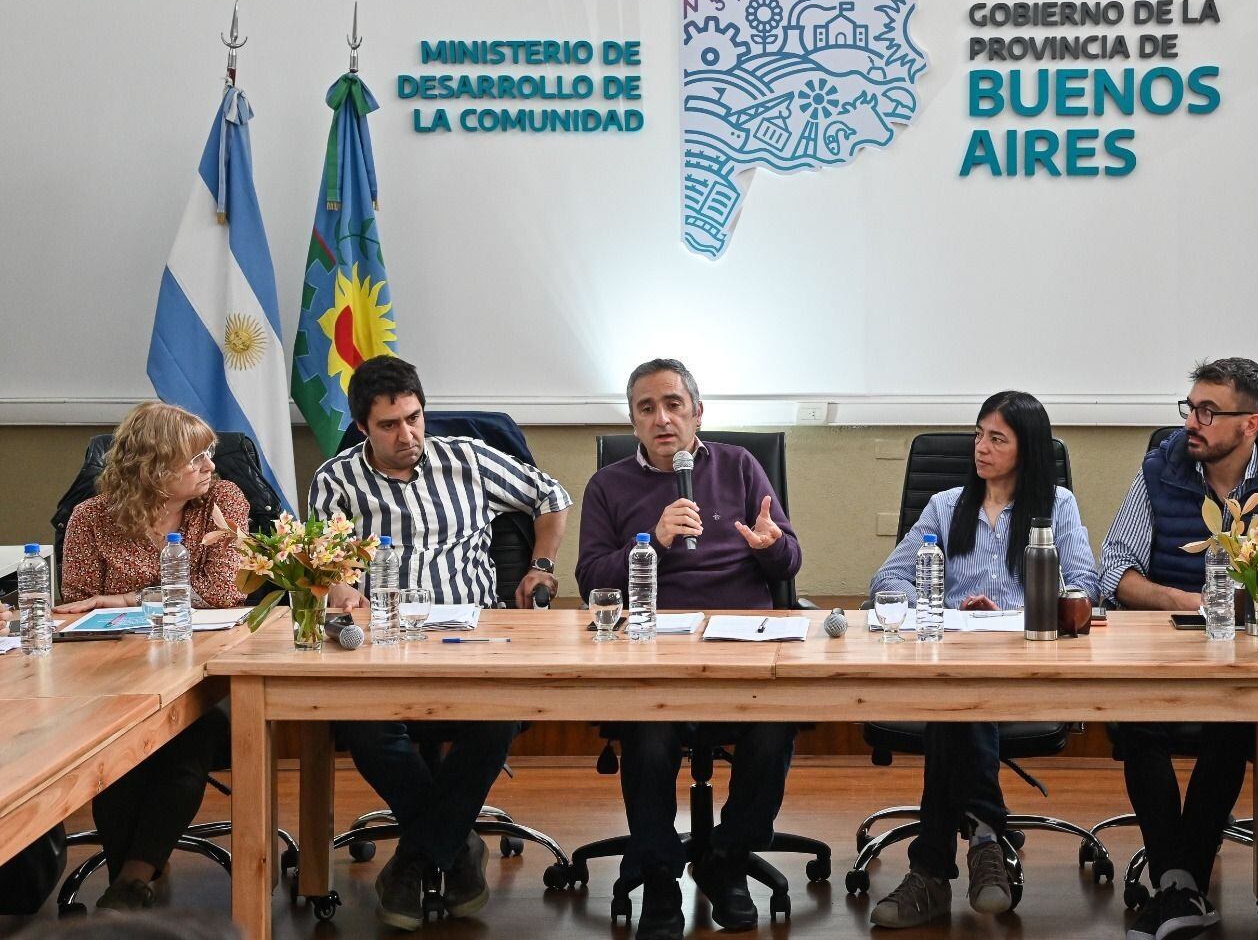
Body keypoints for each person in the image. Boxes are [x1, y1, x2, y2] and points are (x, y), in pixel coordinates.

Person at [1098, 358, 1258, 940]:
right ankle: (1180, 880)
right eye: (1190, 407)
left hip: (1250, 654)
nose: (1193, 421)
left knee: (1236, 723)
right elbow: (1114, 570)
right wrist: (1184, 600)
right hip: (1165, 648)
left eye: (1208, 411)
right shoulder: (1159, 471)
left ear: (1251, 425)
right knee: (1136, 725)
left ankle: (1176, 885)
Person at [311, 355, 572, 931]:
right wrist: (342, 591)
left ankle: (417, 854)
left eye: (414, 418)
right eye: (389, 425)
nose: (408, 435)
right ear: (362, 428)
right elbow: (326, 566)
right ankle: (455, 845)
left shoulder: (467, 459)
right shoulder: (335, 482)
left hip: (475, 636)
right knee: (364, 726)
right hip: (386, 644)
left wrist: (542, 565)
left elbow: (551, 497)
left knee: (498, 719)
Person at [576, 358, 802, 940]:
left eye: (674, 404)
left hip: (742, 646)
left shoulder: (740, 465)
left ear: (697, 412)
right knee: (648, 738)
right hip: (652, 650)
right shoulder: (608, 486)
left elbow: (789, 559)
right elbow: (590, 581)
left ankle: (725, 860)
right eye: (647, 408)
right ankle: (657, 876)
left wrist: (772, 547)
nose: (663, 418)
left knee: (774, 728)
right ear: (633, 423)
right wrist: (649, 539)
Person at [865, 391, 1097, 928]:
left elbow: (1084, 586)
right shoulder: (946, 506)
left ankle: (928, 873)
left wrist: (1016, 609)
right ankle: (987, 836)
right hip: (950, 661)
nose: (981, 448)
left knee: (956, 709)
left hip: (1024, 667)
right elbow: (888, 578)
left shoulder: (1055, 506)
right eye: (978, 435)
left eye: (997, 438)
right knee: (957, 701)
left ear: (1027, 448)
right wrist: (940, 604)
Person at [55, 402, 247, 912]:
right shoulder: (91, 518)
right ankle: (129, 881)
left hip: (199, 670)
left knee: (189, 736)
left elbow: (222, 591)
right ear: (154, 467)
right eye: (195, 459)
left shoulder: (222, 501)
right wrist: (132, 602)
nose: (211, 466)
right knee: (116, 749)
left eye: (210, 455)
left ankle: (132, 879)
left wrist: (122, 599)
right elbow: (76, 606)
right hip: (114, 674)